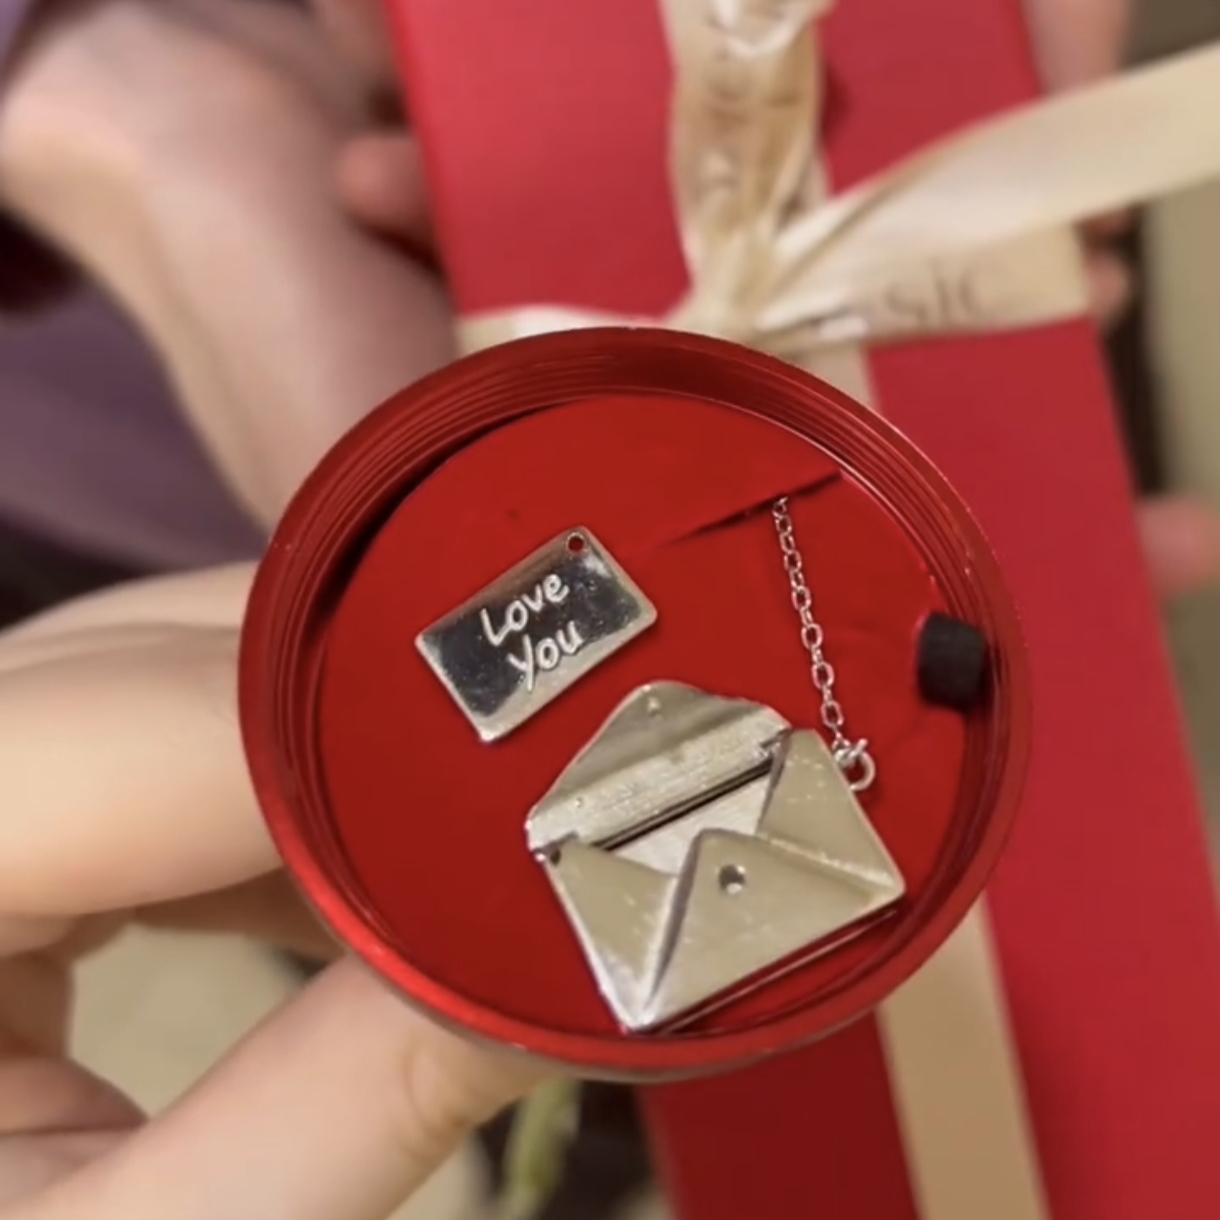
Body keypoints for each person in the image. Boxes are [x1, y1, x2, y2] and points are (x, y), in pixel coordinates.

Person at [0, 1, 1215, 1218]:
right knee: (271, 850)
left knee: (1070, 692)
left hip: (916, 335)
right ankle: (590, 1146)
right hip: (205, 460)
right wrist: (109, 99)